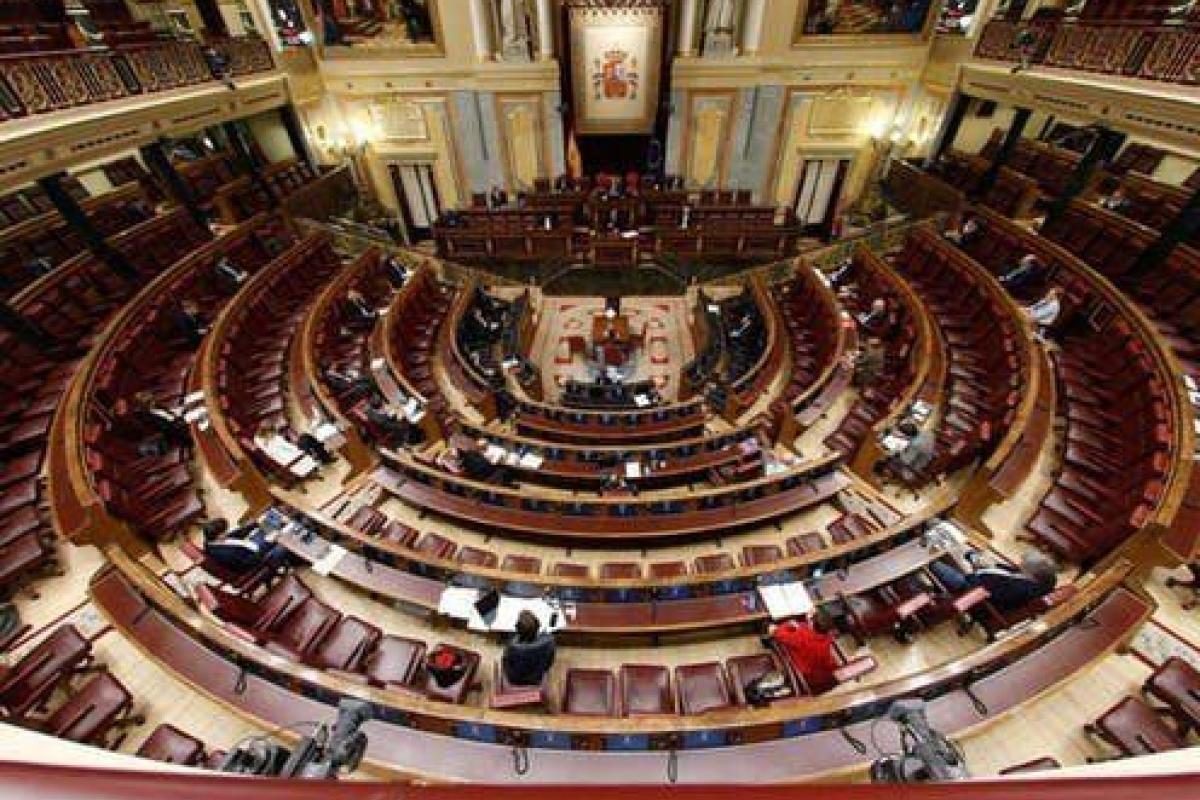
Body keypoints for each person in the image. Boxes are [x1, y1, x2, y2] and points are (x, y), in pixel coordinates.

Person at [929, 550, 1058, 613]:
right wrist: (990, 564)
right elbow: (1008, 571)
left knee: (933, 563)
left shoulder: (1017, 589)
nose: (1019, 565)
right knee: (961, 551)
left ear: (1031, 574)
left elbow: (979, 589)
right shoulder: (1033, 578)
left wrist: (977, 567)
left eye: (1023, 565)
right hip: (981, 579)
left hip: (971, 593)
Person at [768, 613, 840, 695]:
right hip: (828, 675)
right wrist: (799, 626)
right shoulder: (827, 637)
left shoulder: (800, 636)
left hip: (811, 680)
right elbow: (806, 630)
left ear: (812, 623)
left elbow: (778, 634)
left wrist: (786, 625)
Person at [201, 519, 288, 575]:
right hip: (253, 566)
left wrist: (253, 525)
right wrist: (268, 543)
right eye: (224, 532)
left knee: (263, 531)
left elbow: (233, 535)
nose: (226, 532)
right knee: (283, 546)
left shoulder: (210, 542)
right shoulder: (227, 554)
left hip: (247, 550)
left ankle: (281, 526)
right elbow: (251, 561)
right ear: (219, 536)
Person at [501, 610, 556, 687]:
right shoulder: (548, 643)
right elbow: (548, 664)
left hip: (513, 681)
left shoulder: (512, 647)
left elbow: (505, 664)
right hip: (536, 681)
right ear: (537, 627)